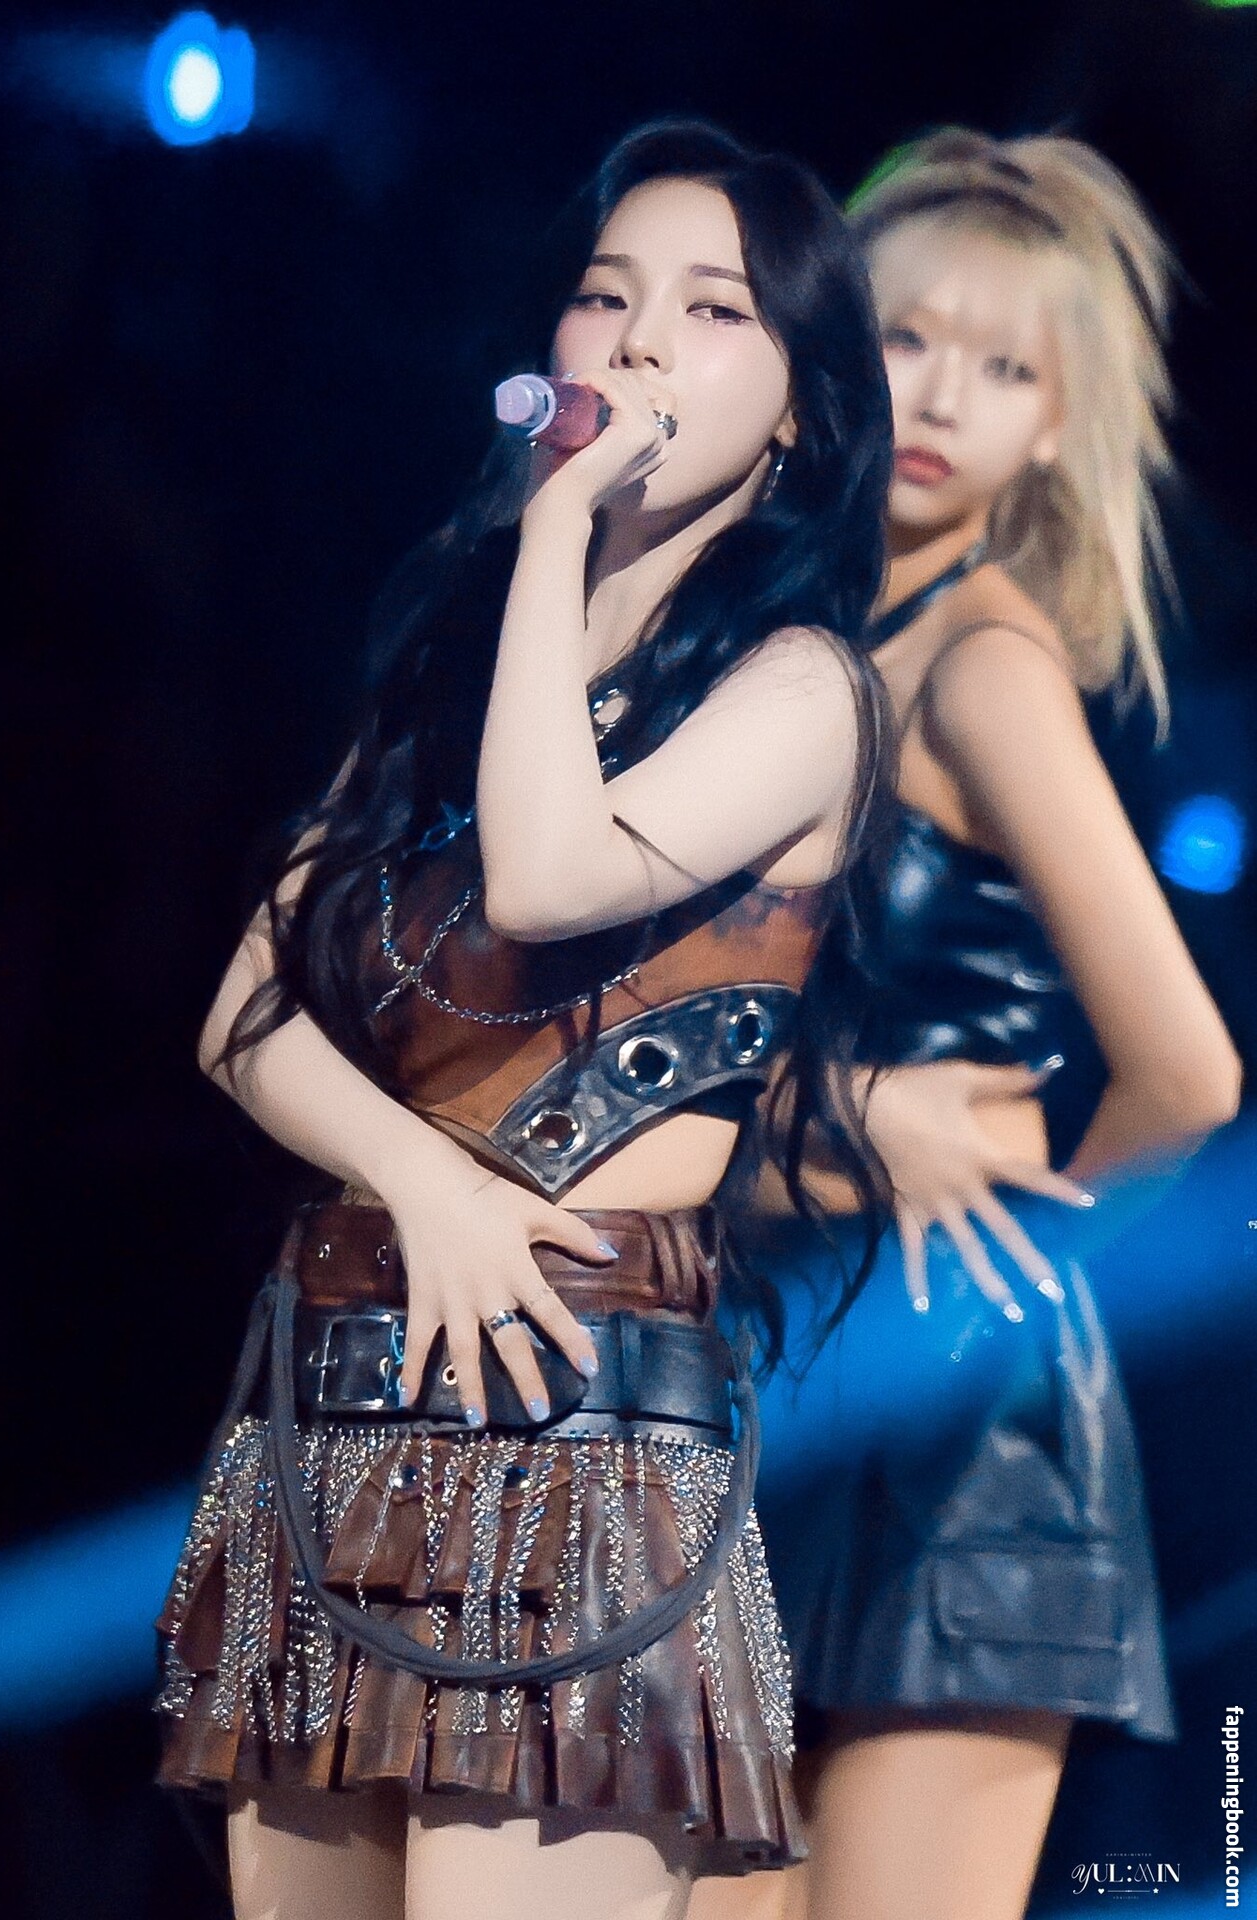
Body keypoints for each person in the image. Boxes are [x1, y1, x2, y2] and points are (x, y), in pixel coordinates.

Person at [154, 120, 900, 1920]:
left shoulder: (802, 687)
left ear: (799, 416)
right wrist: (425, 1182)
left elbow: (552, 877)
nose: (634, 341)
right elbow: (246, 1007)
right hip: (341, 1385)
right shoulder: (459, 654)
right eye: (602, 294)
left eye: (711, 310)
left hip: (575, 1407)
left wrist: (556, 519)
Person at [687, 129, 1241, 1920]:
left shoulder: (985, 666)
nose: (939, 396)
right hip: (749, 1360)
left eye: (1006, 369)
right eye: (909, 336)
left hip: (953, 1428)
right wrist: (837, 1120)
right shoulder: (778, 629)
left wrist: (1030, 1262)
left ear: (1058, 428)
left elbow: (1188, 1069)